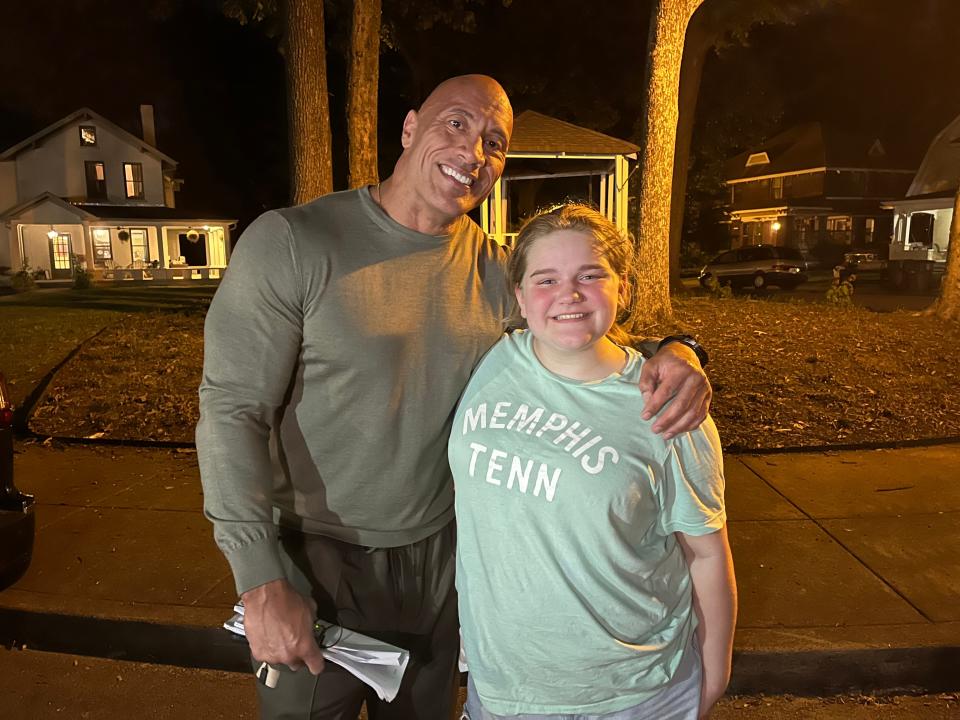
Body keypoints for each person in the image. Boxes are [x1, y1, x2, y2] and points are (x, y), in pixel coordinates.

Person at [197, 75, 712, 720]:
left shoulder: (497, 274)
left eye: (495, 143)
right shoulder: (293, 244)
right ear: (410, 128)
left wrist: (681, 350)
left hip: (442, 564)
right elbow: (230, 411)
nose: (474, 151)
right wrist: (260, 578)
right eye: (457, 124)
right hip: (315, 559)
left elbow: (584, 328)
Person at [451, 204, 736, 720]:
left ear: (623, 287)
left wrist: (714, 677)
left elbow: (707, 554)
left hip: (635, 696)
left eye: (591, 275)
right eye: (546, 278)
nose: (569, 294)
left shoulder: (669, 406)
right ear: (518, 294)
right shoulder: (489, 359)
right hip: (503, 692)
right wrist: (685, 346)